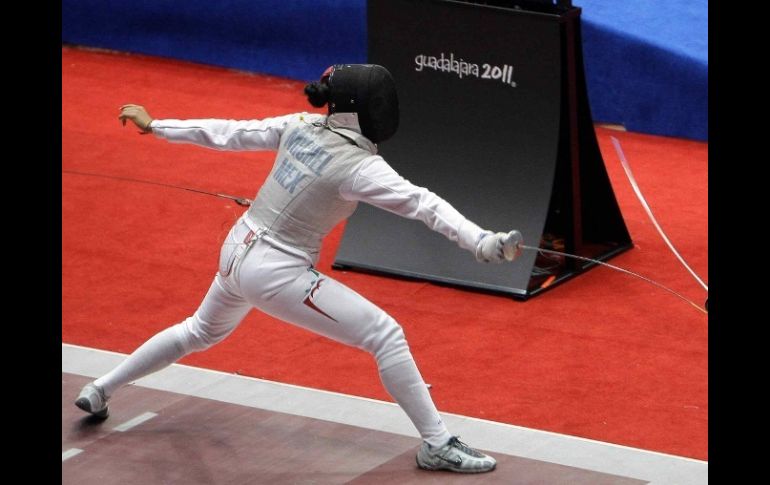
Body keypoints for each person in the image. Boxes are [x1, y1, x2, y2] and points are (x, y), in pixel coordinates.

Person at [75, 64, 522, 474]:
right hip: (276, 271)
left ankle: (101, 389)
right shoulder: (360, 167)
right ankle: (437, 443)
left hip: (236, 249)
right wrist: (480, 240)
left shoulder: (300, 124)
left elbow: (232, 132)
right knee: (385, 335)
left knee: (198, 331)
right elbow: (423, 204)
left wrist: (157, 126)